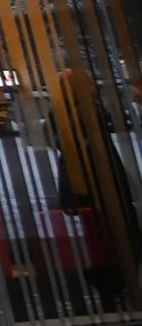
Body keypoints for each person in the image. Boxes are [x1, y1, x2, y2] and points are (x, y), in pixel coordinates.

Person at [51, 66, 139, 306]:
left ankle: (112, 287)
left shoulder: (62, 112)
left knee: (103, 240)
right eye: (89, 84)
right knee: (117, 236)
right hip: (99, 185)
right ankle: (116, 284)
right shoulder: (84, 112)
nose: (94, 88)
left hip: (88, 186)